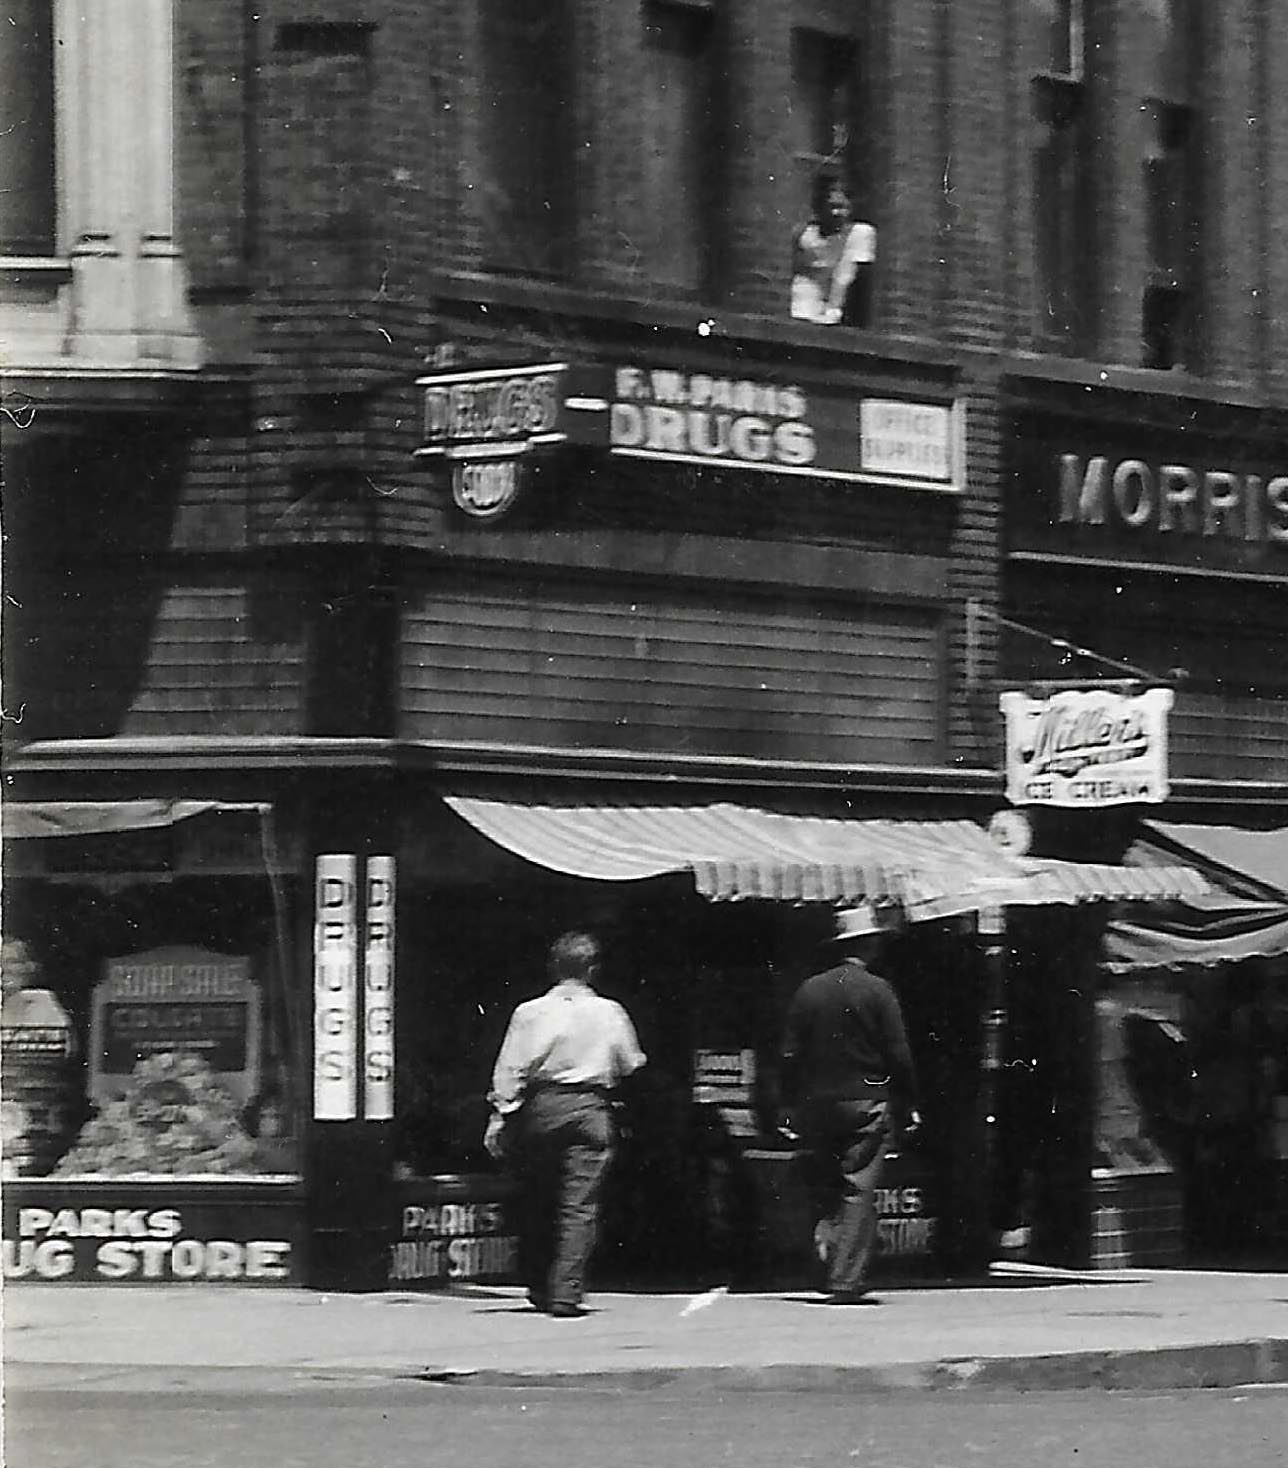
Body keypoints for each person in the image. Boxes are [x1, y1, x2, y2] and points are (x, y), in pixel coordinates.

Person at [484, 930, 646, 1317]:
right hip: (591, 1108)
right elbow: (630, 1062)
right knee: (580, 1206)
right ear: (593, 969)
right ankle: (566, 1292)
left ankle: (538, 1284)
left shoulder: (530, 1012)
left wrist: (500, 1115)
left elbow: (510, 1068)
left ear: (553, 967)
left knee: (539, 1198)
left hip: (542, 1107)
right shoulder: (610, 1012)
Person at [780, 904, 920, 1303]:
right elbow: (899, 1053)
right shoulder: (879, 990)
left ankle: (819, 1262)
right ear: (871, 945)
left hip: (817, 1103)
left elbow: (789, 1054)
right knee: (857, 1187)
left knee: (824, 1181)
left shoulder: (809, 990)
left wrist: (788, 1103)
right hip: (866, 1101)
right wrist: (908, 1099)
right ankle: (845, 1280)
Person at [790, 167, 877, 327]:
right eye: (832, 207)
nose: (838, 213)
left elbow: (845, 275)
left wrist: (833, 311)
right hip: (800, 307)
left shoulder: (858, 233)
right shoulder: (805, 234)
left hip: (830, 312)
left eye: (842, 207)